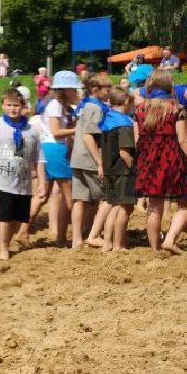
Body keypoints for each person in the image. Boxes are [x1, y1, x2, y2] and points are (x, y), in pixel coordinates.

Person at [0, 88, 47, 261]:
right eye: (8, 105)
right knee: (4, 218)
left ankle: (8, 239)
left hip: (23, 183)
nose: (12, 109)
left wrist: (42, 182)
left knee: (17, 219)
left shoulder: (31, 130)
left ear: (23, 106)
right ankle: (3, 249)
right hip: (0, 181)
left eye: (16, 105)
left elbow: (39, 159)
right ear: (2, 106)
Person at [131, 71, 187, 252]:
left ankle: (155, 249)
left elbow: (136, 140)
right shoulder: (176, 109)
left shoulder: (139, 110)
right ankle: (169, 239)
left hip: (148, 160)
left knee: (154, 206)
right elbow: (182, 140)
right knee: (185, 203)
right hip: (172, 160)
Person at [26, 71, 79, 245]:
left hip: (50, 149)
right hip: (55, 149)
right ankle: (77, 235)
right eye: (73, 89)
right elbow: (56, 132)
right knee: (69, 196)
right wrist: (76, 130)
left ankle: (23, 231)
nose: (76, 93)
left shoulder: (62, 106)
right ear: (65, 90)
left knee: (42, 194)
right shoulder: (56, 105)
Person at [70, 73, 110, 249]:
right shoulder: (96, 109)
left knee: (80, 199)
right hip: (89, 159)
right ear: (96, 90)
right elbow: (88, 137)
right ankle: (96, 234)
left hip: (77, 158)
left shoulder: (84, 106)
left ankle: (77, 238)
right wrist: (100, 162)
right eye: (107, 88)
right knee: (104, 198)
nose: (109, 92)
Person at [95, 86, 138, 251]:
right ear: (127, 102)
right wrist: (134, 169)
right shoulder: (124, 123)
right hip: (123, 172)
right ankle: (119, 245)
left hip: (109, 170)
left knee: (114, 206)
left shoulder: (107, 120)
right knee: (126, 207)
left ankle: (107, 243)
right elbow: (124, 153)